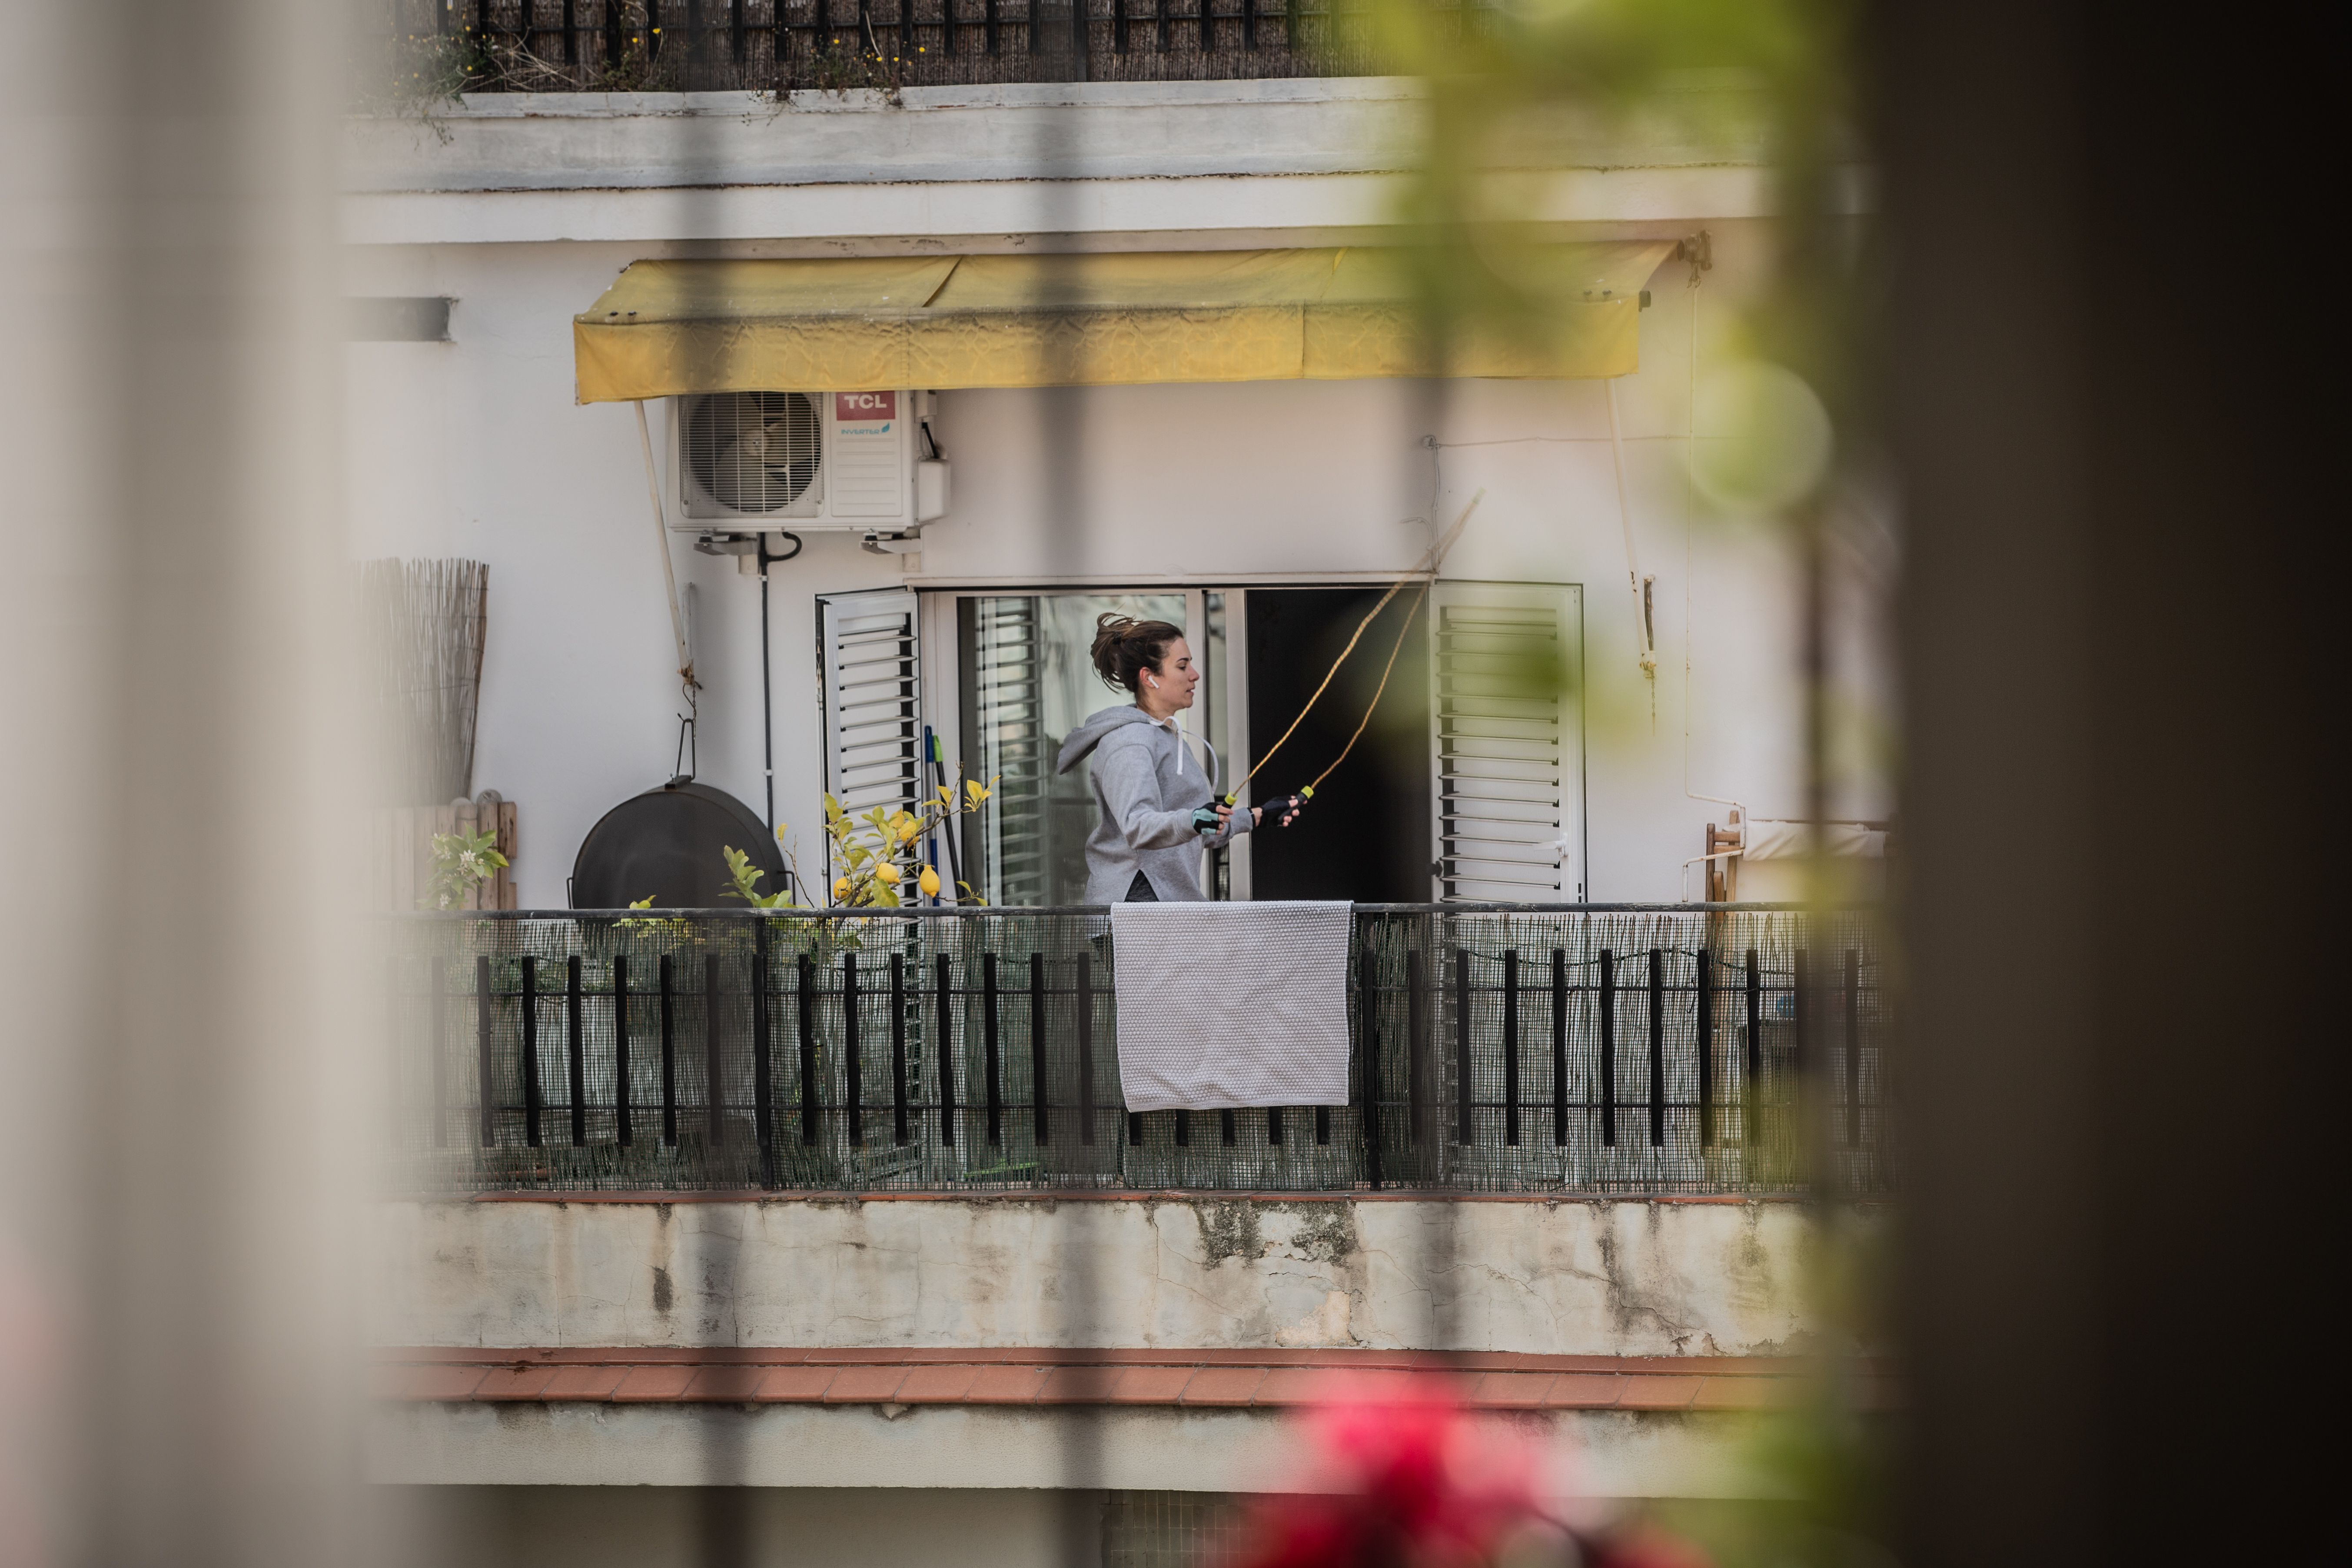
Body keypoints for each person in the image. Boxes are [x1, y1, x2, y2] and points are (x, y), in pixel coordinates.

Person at [1055, 614, 1297, 903]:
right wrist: (1195, 820)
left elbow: (1194, 832)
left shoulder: (1168, 737)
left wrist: (1258, 817)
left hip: (1168, 902)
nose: (1194, 674)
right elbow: (1138, 826)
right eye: (1182, 666)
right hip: (1135, 903)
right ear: (1149, 678)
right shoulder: (1129, 742)